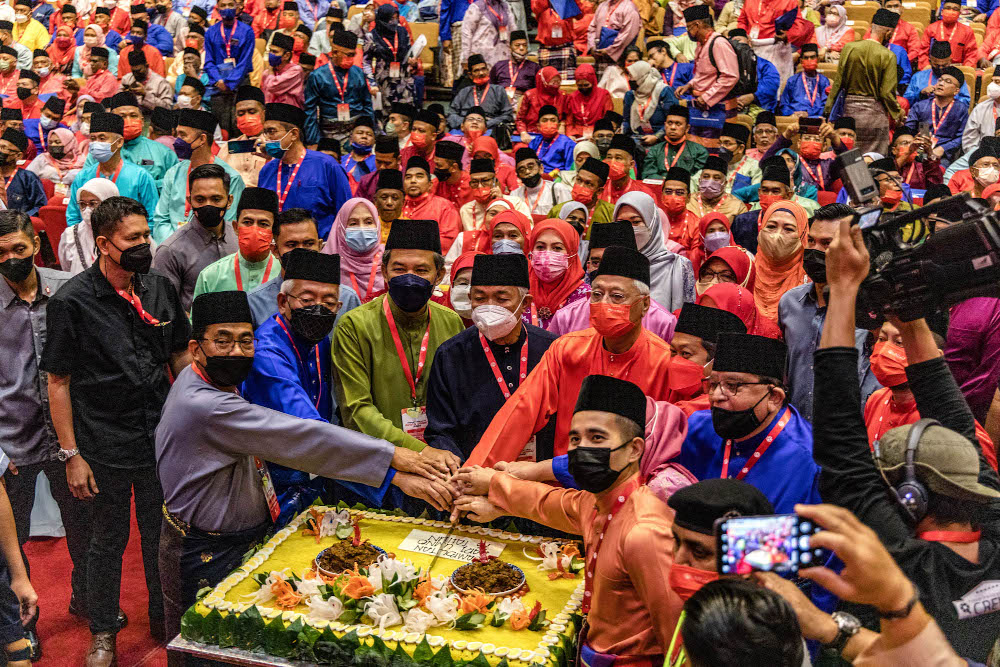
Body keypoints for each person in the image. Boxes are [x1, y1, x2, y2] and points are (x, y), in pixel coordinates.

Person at [157, 289, 455, 650]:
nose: (236, 352)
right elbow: (303, 438)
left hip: (232, 539)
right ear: (195, 348)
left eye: (245, 340)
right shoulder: (205, 405)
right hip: (204, 549)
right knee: (207, 649)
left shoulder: (208, 381)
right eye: (222, 341)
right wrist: (399, 461)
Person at [812, 213, 1000, 662]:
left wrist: (841, 291)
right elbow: (954, 419)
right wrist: (909, 314)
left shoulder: (907, 566)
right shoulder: (994, 525)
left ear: (910, 498)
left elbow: (843, 447)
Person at [41, 196, 191, 665]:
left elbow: (179, 358)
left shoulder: (160, 289)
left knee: (159, 536)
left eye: (147, 235)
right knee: (107, 540)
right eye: (134, 239)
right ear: (105, 244)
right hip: (102, 440)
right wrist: (72, 455)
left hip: (158, 437)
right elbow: (58, 380)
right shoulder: (72, 301)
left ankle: (165, 619)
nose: (145, 245)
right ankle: (104, 629)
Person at [453, 373, 679, 663]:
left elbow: (678, 640)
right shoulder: (597, 504)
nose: (581, 448)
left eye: (597, 437)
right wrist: (494, 483)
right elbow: (546, 502)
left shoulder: (644, 531)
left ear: (634, 449)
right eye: (575, 438)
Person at [466, 245, 682, 465]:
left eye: (616, 296)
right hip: (563, 482)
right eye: (597, 294)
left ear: (645, 304)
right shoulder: (566, 350)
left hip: (631, 489)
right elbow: (521, 411)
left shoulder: (664, 362)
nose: (603, 303)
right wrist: (478, 470)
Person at [0, 211, 82, 660]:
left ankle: (88, 598)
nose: (11, 259)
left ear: (36, 242)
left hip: (70, 438)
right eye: (1, 254)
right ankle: (19, 625)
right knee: (12, 546)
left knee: (87, 526)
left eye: (18, 248)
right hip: (12, 440)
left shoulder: (69, 287)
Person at [331, 219, 464, 479]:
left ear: (440, 275)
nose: (409, 278)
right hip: (382, 466)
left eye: (421, 270)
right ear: (384, 271)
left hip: (444, 462)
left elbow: (458, 402)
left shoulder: (451, 322)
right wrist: (420, 452)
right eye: (399, 269)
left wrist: (442, 452)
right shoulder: (355, 325)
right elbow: (356, 410)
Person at [425, 252, 559, 461]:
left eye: (502, 299)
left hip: (539, 478)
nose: (489, 306)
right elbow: (441, 430)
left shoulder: (552, 350)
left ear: (525, 303)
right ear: (470, 300)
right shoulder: (450, 355)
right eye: (479, 298)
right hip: (472, 474)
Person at [677, 330, 819, 512]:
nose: (716, 396)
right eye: (713, 384)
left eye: (733, 386)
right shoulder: (697, 428)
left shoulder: (808, 459)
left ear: (774, 397)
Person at [777, 202, 878, 422]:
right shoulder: (789, 303)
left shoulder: (871, 311)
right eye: (811, 241)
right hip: (799, 434)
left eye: (827, 243)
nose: (816, 251)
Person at [865, 320, 997, 469]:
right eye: (882, 340)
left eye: (900, 343)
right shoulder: (877, 399)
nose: (885, 351)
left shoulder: (949, 422)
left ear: (934, 358)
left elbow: (983, 488)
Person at [548, 220, 679, 341]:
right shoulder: (566, 317)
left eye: (613, 261)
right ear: (587, 265)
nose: (603, 270)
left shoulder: (663, 322)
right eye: (596, 262)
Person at [246, 207, 362, 325]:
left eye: (309, 244)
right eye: (292, 245)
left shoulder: (347, 299)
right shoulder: (255, 303)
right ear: (275, 250)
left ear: (320, 246)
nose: (301, 252)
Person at [151, 164, 241, 312]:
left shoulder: (239, 238)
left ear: (229, 201)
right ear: (189, 200)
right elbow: (165, 307)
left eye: (216, 199)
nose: (208, 205)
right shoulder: (170, 251)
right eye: (200, 199)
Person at [257, 102, 352, 240]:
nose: (266, 139)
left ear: (294, 134)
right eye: (264, 132)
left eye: (271, 132)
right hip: (280, 248)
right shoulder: (267, 170)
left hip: (320, 250)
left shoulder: (326, 165)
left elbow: (346, 212)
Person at [152, 109, 245, 244]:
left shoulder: (231, 177)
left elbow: (229, 225)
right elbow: (161, 219)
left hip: (213, 249)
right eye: (177, 134)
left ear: (202, 139)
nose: (176, 141)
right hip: (171, 247)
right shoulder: (173, 173)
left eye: (182, 135)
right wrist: (173, 246)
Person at [824, 8, 903, 155]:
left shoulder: (849, 48)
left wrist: (827, 110)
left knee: (848, 155)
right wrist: (898, 113)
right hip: (875, 116)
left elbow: (838, 83)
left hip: (850, 112)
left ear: (871, 27)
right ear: (888, 32)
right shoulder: (888, 55)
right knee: (874, 159)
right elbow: (886, 93)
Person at [193, 187, 281, 299]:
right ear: (236, 227)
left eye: (263, 224)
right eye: (247, 222)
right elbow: (198, 317)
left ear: (274, 231)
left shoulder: (284, 274)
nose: (254, 230)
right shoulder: (210, 276)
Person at [615, 191, 695, 311]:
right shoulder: (611, 264)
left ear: (652, 223)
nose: (629, 229)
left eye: (636, 222)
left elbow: (687, 318)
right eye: (621, 223)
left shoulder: (678, 266)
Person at [678, 5, 740, 153]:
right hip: (702, 106)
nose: (687, 32)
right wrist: (689, 84)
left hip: (718, 106)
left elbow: (731, 76)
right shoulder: (701, 43)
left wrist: (706, 96)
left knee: (715, 151)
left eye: (688, 27)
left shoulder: (718, 43)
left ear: (697, 25)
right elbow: (703, 74)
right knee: (697, 150)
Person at [303, 30, 372, 147]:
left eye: (353, 55)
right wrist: (313, 140)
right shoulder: (318, 76)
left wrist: (369, 131)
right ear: (334, 52)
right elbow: (310, 111)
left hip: (355, 131)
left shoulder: (358, 73)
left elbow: (367, 104)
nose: (351, 58)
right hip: (328, 131)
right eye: (348, 55)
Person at [204, 0, 255, 136]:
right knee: (220, 128)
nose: (227, 8)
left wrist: (229, 83)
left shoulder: (247, 31)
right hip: (217, 84)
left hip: (240, 83)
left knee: (241, 126)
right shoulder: (211, 32)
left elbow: (244, 62)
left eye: (230, 5)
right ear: (217, 8)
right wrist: (219, 81)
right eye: (223, 5)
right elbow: (209, 61)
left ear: (237, 7)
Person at [526, 218, 588, 328]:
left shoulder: (585, 298)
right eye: (540, 247)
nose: (547, 254)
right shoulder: (519, 291)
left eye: (557, 248)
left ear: (571, 253)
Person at [902, 65, 968, 167]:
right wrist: (916, 142)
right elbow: (908, 130)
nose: (941, 83)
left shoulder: (961, 109)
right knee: (915, 167)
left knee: (939, 170)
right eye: (940, 80)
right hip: (920, 150)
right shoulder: (921, 106)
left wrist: (943, 149)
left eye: (948, 82)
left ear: (956, 91)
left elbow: (961, 137)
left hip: (943, 154)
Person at [321, 197, 384, 303]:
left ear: (377, 225)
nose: (362, 229)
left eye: (368, 222)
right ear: (341, 228)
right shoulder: (326, 264)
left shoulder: (389, 260)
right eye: (353, 223)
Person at [401, 155, 461, 253]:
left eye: (419, 176)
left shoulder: (444, 206)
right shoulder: (398, 205)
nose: (413, 181)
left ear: (430, 185)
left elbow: (448, 241)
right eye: (408, 177)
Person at [58, 178, 118, 276]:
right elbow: (66, 269)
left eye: (93, 204)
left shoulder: (127, 233)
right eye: (82, 204)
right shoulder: (71, 235)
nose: (87, 210)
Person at [364, 5, 417, 111]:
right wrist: (371, 83)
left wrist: (412, 61)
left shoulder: (402, 32)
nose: (394, 21)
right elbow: (366, 61)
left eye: (396, 18)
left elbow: (409, 52)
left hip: (403, 79)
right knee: (385, 113)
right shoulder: (372, 36)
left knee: (404, 113)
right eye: (391, 18)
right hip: (383, 80)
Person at [642, 104, 709, 180]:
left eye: (678, 124)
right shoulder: (655, 150)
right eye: (669, 123)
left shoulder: (699, 151)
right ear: (665, 125)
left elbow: (699, 178)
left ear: (687, 128)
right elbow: (647, 175)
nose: (673, 127)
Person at [447, 55, 515, 131]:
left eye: (483, 69)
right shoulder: (464, 92)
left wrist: (486, 124)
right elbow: (451, 114)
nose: (481, 73)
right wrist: (467, 123)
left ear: (488, 71)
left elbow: (507, 115)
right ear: (470, 75)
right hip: (465, 130)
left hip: (489, 129)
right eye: (476, 71)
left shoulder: (498, 90)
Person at [548, 156, 613, 231]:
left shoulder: (610, 213)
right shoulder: (557, 210)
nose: (581, 186)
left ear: (599, 191)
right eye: (579, 180)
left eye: (588, 184)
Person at [905, 41, 973, 109]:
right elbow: (907, 101)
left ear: (950, 61)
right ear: (930, 61)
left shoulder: (957, 78)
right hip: (922, 115)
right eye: (936, 65)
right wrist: (921, 94)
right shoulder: (918, 77)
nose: (940, 68)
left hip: (950, 116)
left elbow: (966, 102)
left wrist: (948, 99)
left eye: (944, 65)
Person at [622, 60, 678, 142]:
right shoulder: (630, 95)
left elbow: (673, 120)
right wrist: (621, 132)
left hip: (662, 137)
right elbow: (626, 120)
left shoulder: (664, 91)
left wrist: (657, 137)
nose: (629, 79)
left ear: (642, 76)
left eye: (632, 75)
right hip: (637, 136)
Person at [509, 146, 571, 218]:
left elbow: (567, 218)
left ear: (541, 168)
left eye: (530, 167)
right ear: (518, 175)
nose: (527, 172)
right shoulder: (515, 194)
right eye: (522, 170)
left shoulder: (558, 190)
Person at [587, 0, 640, 77]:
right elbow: (592, 28)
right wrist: (592, 46)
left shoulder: (630, 8)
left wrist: (609, 50)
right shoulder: (602, 6)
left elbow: (628, 34)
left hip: (619, 54)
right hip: (599, 53)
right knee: (601, 85)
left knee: (617, 85)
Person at [227, 84, 267, 187]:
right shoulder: (230, 146)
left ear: (264, 114)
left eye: (252, 112)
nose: (247, 117)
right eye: (241, 114)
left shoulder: (274, 145)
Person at [687, 155, 748, 220]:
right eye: (706, 176)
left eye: (717, 178)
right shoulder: (688, 201)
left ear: (725, 183)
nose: (710, 181)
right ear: (699, 180)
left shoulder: (737, 206)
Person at [488, 29, 539, 108]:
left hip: (524, 103)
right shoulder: (499, 66)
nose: (521, 48)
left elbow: (537, 92)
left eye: (524, 45)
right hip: (500, 102)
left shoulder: (534, 67)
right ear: (510, 47)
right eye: (517, 45)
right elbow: (490, 89)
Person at [0, 129, 45, 216]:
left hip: (17, 226)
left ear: (18, 156)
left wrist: (20, 219)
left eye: (4, 148)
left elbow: (40, 206)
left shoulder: (28, 178)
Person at [459, 0, 512, 71]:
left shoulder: (505, 6)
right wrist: (465, 58)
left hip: (503, 53)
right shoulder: (477, 7)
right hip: (482, 56)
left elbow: (512, 30)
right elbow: (467, 33)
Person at [779, 44, 829, 117]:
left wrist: (808, 113)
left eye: (812, 57)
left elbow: (826, 106)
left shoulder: (824, 81)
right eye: (806, 58)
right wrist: (792, 113)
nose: (809, 60)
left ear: (818, 59)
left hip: (815, 117)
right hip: (794, 117)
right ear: (801, 61)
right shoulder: (792, 80)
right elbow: (784, 104)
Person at [515, 65, 566, 138]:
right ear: (543, 81)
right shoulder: (530, 95)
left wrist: (562, 125)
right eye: (553, 81)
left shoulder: (562, 95)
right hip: (531, 133)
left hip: (555, 133)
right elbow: (520, 119)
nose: (556, 85)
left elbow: (565, 117)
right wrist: (523, 133)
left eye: (558, 81)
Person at [564, 63, 611, 140]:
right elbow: (569, 122)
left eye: (586, 85)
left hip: (598, 134)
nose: (583, 88)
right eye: (580, 86)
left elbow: (607, 119)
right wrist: (570, 136)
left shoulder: (604, 95)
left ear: (593, 82)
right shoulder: (572, 97)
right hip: (577, 135)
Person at [525, 105, 575, 175]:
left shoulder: (567, 144)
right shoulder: (534, 143)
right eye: (544, 120)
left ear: (558, 125)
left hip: (557, 180)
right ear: (538, 126)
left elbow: (570, 171)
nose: (549, 124)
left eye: (553, 120)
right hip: (535, 178)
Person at [261, 31, 303, 106]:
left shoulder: (296, 71)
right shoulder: (267, 73)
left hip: (289, 113)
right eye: (270, 51)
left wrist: (270, 71)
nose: (271, 54)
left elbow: (272, 86)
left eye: (275, 52)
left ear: (286, 56)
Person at [432, 139, 472, 211]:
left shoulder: (472, 185)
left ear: (454, 167)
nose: (436, 168)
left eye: (439, 165)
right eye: (435, 164)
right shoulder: (436, 183)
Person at [340, 116, 375, 185]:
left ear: (374, 141)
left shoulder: (377, 162)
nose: (364, 136)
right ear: (351, 139)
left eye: (369, 134)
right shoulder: (341, 160)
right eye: (360, 133)